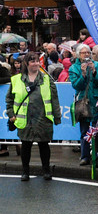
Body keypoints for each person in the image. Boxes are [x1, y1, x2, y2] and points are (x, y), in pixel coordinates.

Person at [7, 52, 60, 181]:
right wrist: (11, 114)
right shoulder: (16, 80)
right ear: (26, 63)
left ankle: (46, 171)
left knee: (44, 146)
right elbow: (9, 99)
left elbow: (54, 99)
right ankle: (25, 172)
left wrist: (57, 116)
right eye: (32, 61)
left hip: (43, 118)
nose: (36, 64)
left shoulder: (47, 79)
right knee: (26, 146)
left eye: (37, 61)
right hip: (25, 120)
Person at [69, 43, 98, 166]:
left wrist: (94, 71)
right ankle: (84, 156)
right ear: (79, 55)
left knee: (97, 129)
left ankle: (97, 155)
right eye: (84, 53)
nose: (87, 55)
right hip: (84, 102)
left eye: (88, 52)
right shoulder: (74, 68)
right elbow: (76, 85)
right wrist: (83, 74)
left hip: (95, 100)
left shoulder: (96, 65)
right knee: (84, 130)